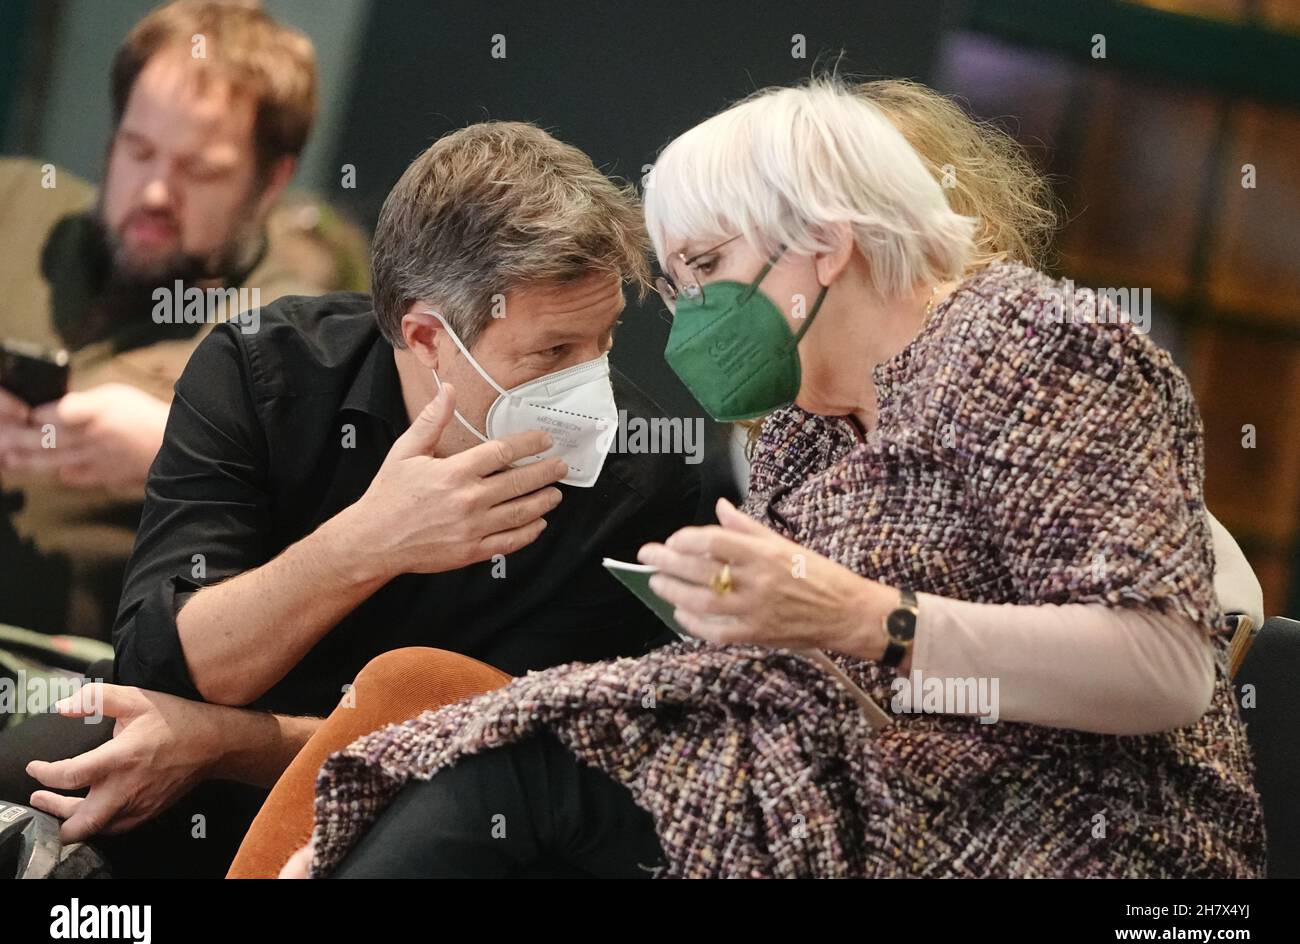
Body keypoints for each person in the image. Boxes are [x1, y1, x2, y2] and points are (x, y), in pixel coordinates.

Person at [299, 77, 1266, 879]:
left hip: (1079, 839)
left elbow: (1168, 665)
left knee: (523, 783)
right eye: (678, 283)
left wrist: (859, 616)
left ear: (825, 242)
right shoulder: (805, 428)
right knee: (453, 732)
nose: (688, 317)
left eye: (709, 263)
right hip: (861, 807)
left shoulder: (1035, 347)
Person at [3, 120, 703, 878]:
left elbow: (488, 761)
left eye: (604, 340)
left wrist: (222, 743)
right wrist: (370, 540)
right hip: (206, 754)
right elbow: (167, 664)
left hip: (429, 815)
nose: (590, 386)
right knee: (42, 763)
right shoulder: (262, 373)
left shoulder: (635, 481)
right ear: (428, 337)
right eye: (554, 353)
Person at [0, 0, 350, 641]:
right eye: (138, 150)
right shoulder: (16, 204)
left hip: (75, 680)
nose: (156, 192)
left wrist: (181, 455)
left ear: (271, 182)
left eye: (200, 170)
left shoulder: (294, 335)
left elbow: (339, 534)